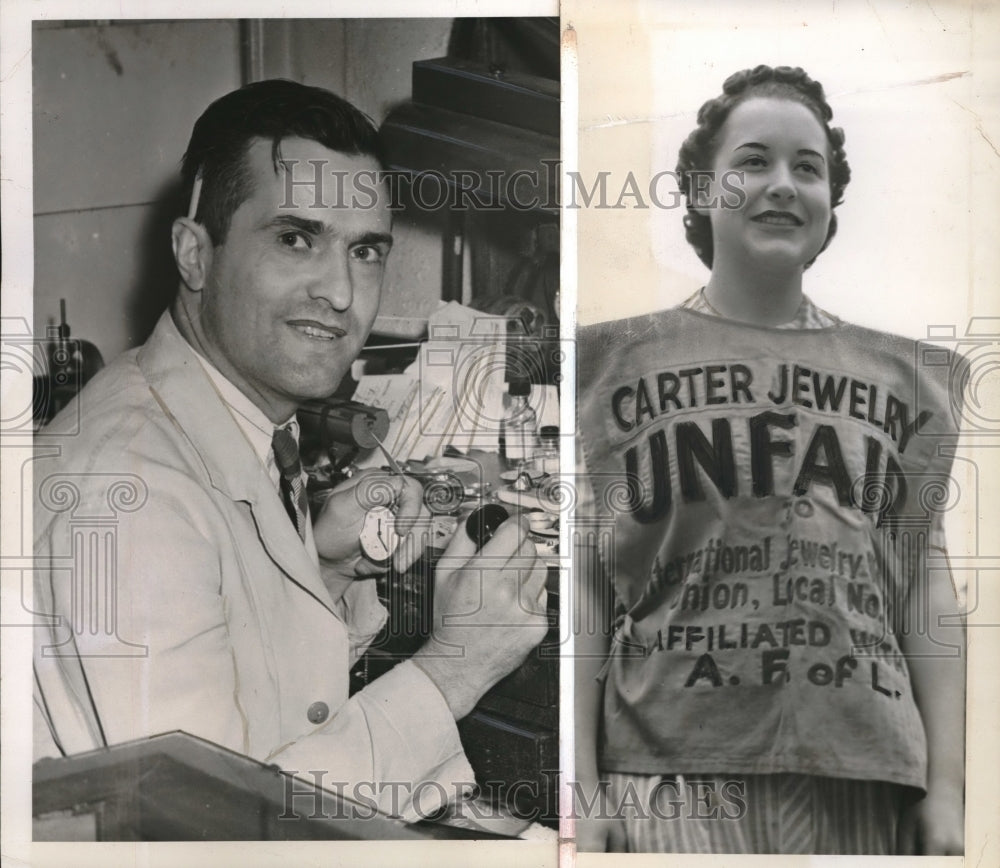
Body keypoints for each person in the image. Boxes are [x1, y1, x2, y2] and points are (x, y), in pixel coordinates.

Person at [32, 79, 548, 823]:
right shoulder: (129, 492)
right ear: (194, 254)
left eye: (365, 251)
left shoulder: (217, 415)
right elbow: (213, 830)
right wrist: (456, 669)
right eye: (295, 238)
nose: (341, 292)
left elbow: (242, 736)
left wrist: (324, 569)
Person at [575, 65, 965, 854]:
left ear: (831, 204)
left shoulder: (903, 381)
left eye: (808, 167)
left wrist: (949, 789)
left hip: (863, 778)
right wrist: (581, 786)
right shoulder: (615, 365)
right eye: (752, 161)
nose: (782, 184)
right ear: (699, 189)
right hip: (674, 777)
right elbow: (589, 585)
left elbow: (925, 589)